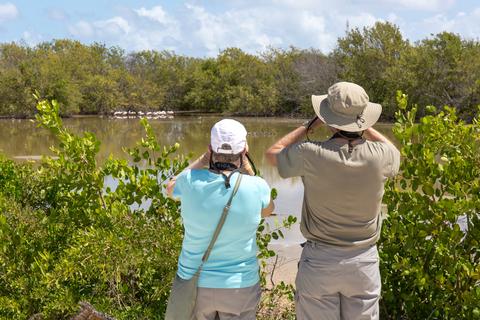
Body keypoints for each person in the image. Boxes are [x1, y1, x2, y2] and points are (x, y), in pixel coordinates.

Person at [265, 82, 400, 320]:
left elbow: (272, 153)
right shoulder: (380, 157)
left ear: (326, 118)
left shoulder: (309, 152)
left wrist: (309, 125)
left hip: (319, 260)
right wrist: (365, 126)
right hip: (363, 262)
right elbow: (395, 152)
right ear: (364, 118)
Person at [167, 119, 274, 320]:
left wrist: (202, 159)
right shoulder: (258, 186)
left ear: (210, 148)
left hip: (195, 283)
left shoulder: (189, 181)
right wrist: (249, 169)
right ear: (244, 150)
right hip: (239, 285)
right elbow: (268, 210)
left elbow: (170, 187)